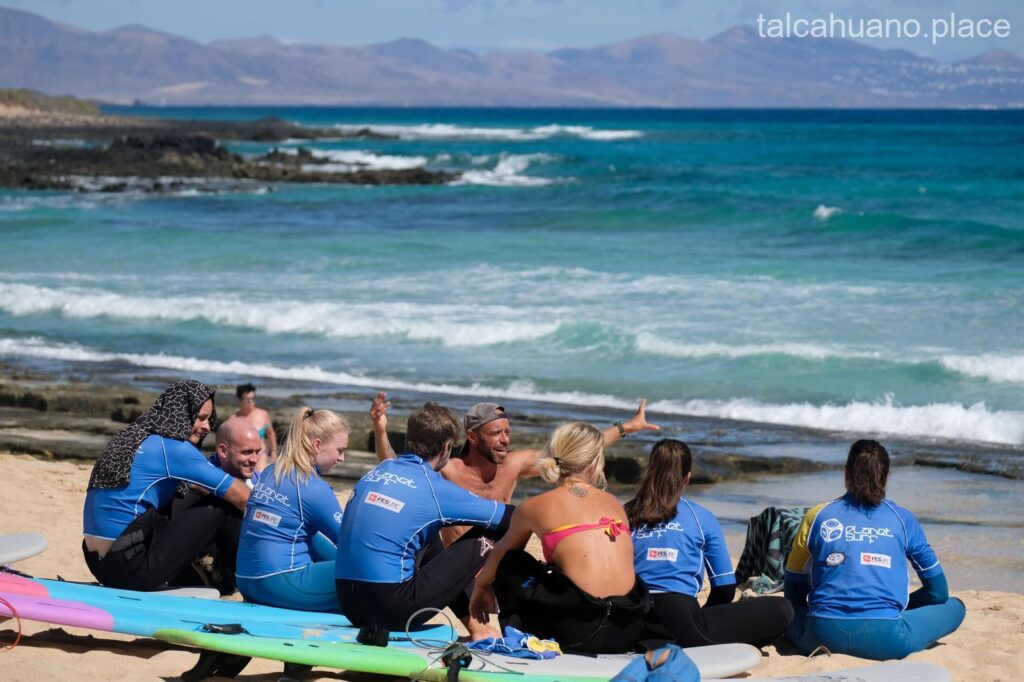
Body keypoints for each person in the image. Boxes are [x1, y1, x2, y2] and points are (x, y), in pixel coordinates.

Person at [371, 392, 661, 637]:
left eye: (507, 432)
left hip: (494, 566)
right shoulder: (449, 469)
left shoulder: (514, 465)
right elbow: (399, 468)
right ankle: (481, 628)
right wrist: (381, 430)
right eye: (495, 433)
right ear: (472, 437)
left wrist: (626, 427)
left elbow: (575, 453)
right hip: (461, 572)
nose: (505, 440)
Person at [470, 422, 658, 655]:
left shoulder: (534, 506)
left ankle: (522, 634)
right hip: (627, 630)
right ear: (595, 462)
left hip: (577, 635)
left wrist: (481, 587)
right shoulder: (614, 503)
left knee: (511, 560)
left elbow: (501, 552)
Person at [335, 402, 512, 637]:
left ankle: (477, 628)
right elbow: (510, 517)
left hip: (349, 603)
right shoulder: (433, 486)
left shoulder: (377, 471)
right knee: (493, 529)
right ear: (447, 447)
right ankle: (489, 622)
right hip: (391, 609)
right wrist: (486, 581)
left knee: (427, 533)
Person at [784, 439, 966, 660]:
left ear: (846, 473)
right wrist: (895, 604)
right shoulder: (903, 519)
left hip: (820, 636)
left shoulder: (817, 516)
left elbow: (793, 593)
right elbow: (938, 592)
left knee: (784, 610)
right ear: (886, 477)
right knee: (956, 606)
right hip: (886, 638)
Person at [82, 380, 250, 591]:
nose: (208, 427)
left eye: (209, 419)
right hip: (128, 566)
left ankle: (205, 576)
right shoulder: (173, 448)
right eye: (201, 418)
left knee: (187, 496)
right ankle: (240, 583)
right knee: (223, 506)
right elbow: (244, 498)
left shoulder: (133, 437)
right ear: (182, 413)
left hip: (98, 562)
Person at [625, 439, 793, 648]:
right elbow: (725, 589)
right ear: (687, 477)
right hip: (681, 622)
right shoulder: (700, 517)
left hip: (630, 623)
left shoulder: (625, 514)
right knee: (781, 609)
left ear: (649, 470)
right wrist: (705, 615)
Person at [235, 407, 349, 611]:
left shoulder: (271, 471)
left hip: (245, 581)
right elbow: (351, 544)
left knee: (310, 537)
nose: (342, 459)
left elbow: (312, 538)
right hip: (279, 581)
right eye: (339, 451)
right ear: (317, 445)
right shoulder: (314, 488)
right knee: (366, 573)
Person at [234, 382, 277, 466]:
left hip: (261, 454)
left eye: (253, 398)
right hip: (242, 458)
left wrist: (274, 451)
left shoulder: (263, 414)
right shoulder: (234, 419)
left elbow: (270, 433)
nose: (251, 402)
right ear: (240, 400)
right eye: (248, 399)